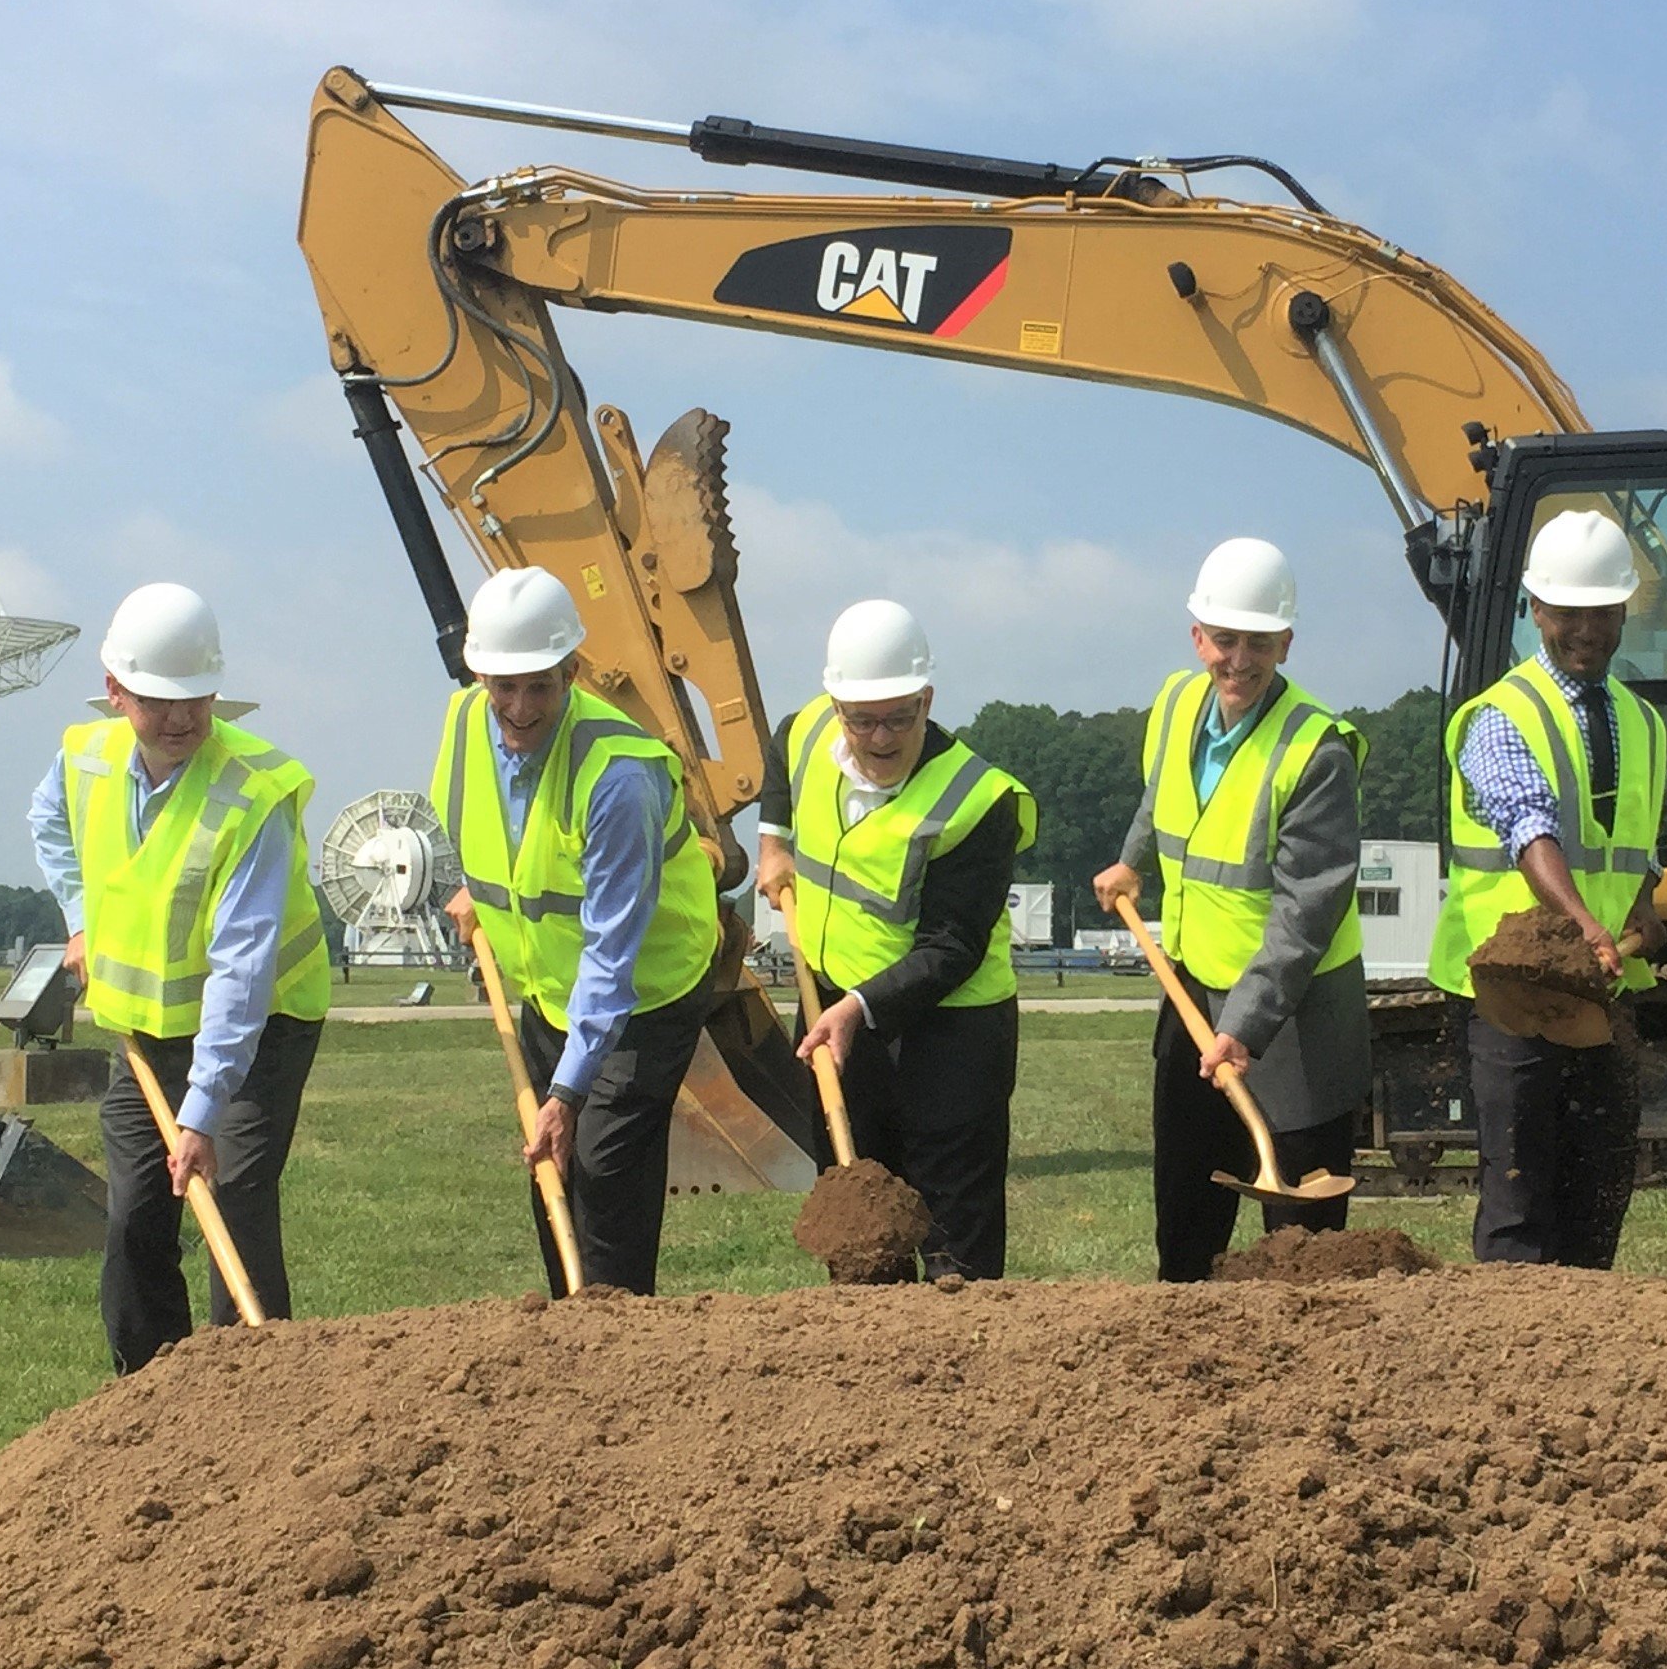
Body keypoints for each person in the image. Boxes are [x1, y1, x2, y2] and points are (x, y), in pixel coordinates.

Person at [30, 582, 331, 1373]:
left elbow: (244, 965)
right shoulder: (85, 757)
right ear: (115, 691)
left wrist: (202, 1116)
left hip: (260, 1028)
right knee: (134, 1215)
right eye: (160, 700)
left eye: (197, 699)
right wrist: (80, 921)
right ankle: (150, 1396)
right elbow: (48, 824)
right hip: (147, 1030)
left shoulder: (254, 794)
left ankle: (256, 1389)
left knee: (231, 1199)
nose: (181, 720)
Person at [433, 565, 728, 1296]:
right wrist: (477, 888)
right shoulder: (466, 722)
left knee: (602, 1172)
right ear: (479, 676)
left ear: (572, 670)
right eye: (504, 686)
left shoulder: (618, 778)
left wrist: (568, 1091)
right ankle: (568, 1333)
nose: (521, 707)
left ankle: (618, 1351)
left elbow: (611, 954)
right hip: (547, 989)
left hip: (645, 995)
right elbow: (494, 830)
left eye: (541, 684)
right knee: (552, 1166)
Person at [1093, 539, 1368, 1283]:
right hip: (1191, 993)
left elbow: (1306, 913)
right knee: (1186, 1221)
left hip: (1295, 1015)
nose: (1238, 660)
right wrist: (1132, 858)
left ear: (1286, 642)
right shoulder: (1179, 702)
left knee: (1301, 1253)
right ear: (1197, 637)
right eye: (1224, 639)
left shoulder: (1317, 752)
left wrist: (1244, 1027)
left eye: (1258, 642)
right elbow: (1164, 793)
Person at [755, 600, 1034, 1280]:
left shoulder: (978, 801)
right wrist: (773, 842)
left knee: (953, 1254)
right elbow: (782, 749)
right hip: (838, 1022)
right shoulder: (809, 734)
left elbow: (952, 946)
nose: (880, 738)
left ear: (926, 699)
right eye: (862, 720)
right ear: (837, 703)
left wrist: (855, 1009)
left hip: (951, 1039)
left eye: (900, 718)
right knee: (857, 1238)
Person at [1425, 509, 1667, 1268]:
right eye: (1569, 613)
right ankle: (1511, 1357)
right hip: (1514, 992)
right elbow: (1527, 827)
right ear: (1536, 610)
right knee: (1520, 1194)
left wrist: (1641, 907)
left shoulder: (1643, 721)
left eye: (1603, 612)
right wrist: (1580, 925)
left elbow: (1632, 839)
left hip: (1602, 990)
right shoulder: (1503, 716)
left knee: (1597, 1191)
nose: (1587, 629)